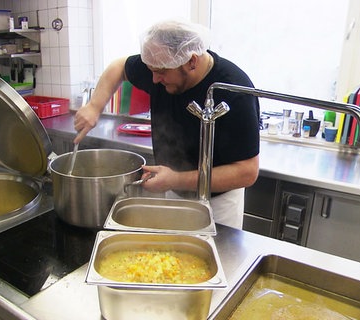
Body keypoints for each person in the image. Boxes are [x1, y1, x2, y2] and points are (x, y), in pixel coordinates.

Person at [73, 20, 260, 229]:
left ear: (192, 61)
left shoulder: (234, 89)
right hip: (172, 191)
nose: (153, 79)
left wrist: (176, 179)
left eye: (161, 72)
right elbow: (119, 66)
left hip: (220, 205)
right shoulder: (161, 63)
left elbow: (247, 171)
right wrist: (94, 105)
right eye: (151, 69)